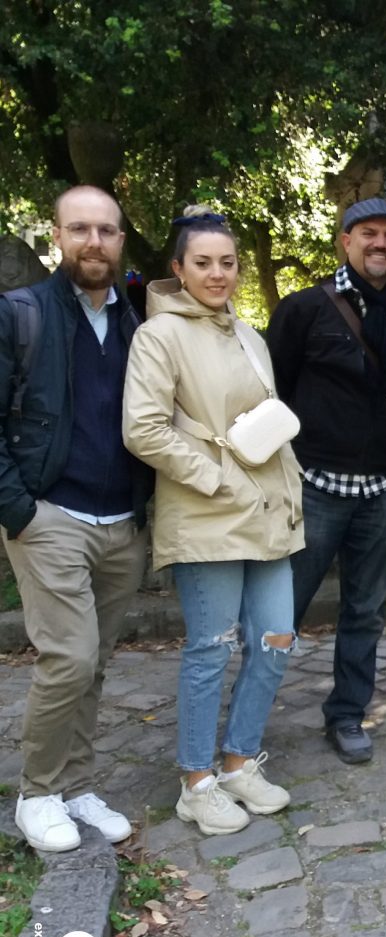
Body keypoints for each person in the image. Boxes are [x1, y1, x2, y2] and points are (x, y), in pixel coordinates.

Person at [123, 206, 303, 836]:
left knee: (276, 638)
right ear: (178, 268)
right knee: (211, 648)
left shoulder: (250, 335)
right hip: (205, 513)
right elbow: (143, 429)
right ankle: (195, 783)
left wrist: (289, 493)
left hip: (266, 511)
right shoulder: (159, 336)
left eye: (227, 262)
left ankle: (237, 763)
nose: (217, 273)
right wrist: (215, 479)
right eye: (203, 262)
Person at [0, 186, 153, 852]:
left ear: (121, 240)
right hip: (50, 516)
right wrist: (18, 511)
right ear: (57, 236)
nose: (94, 242)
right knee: (70, 657)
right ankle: (36, 793)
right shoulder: (21, 314)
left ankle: (76, 784)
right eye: (80, 229)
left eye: (106, 230)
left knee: (96, 662)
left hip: (122, 522)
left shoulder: (137, 324)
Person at [267, 198, 386, 765]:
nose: (380, 243)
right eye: (368, 233)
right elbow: (273, 391)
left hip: (380, 492)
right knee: (282, 610)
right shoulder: (304, 309)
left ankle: (348, 714)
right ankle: (248, 721)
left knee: (364, 612)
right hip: (314, 489)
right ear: (345, 241)